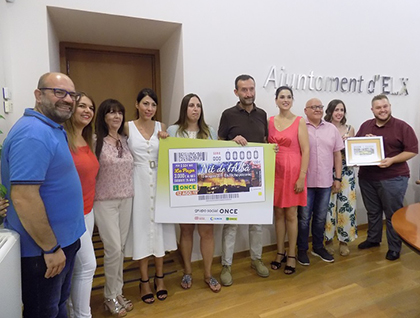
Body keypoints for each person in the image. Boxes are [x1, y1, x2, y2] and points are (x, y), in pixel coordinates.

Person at [1, 72, 85, 317]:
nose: (68, 99)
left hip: (62, 244)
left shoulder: (52, 129)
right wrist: (50, 248)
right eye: (59, 92)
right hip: (43, 251)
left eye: (72, 94)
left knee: (57, 306)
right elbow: (24, 198)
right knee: (43, 311)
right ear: (38, 95)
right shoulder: (32, 134)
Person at [124, 88, 177, 303]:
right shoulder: (127, 127)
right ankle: (144, 280)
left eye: (153, 105)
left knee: (160, 229)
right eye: (145, 104)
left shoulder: (161, 127)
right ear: (137, 105)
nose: (149, 108)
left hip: (159, 181)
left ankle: (160, 277)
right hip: (138, 181)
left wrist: (166, 140)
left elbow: (170, 154)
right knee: (142, 229)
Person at [218, 74, 269, 286]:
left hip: (257, 178)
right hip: (233, 179)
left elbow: (265, 141)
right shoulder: (227, 115)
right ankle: (226, 265)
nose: (248, 93)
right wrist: (232, 142)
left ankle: (256, 259)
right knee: (231, 224)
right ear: (236, 92)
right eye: (244, 90)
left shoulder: (262, 114)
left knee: (256, 224)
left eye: (251, 89)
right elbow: (220, 142)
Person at [167, 93, 221, 292]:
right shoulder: (173, 131)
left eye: (198, 105)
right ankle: (187, 271)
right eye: (191, 105)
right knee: (187, 231)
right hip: (183, 190)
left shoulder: (210, 131)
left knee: (207, 232)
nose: (195, 109)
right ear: (184, 108)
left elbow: (218, 159)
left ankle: (208, 274)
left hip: (206, 190)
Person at [356, 94, 418, 261]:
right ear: (372, 110)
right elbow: (357, 148)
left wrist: (392, 160)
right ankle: (373, 239)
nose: (382, 110)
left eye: (385, 106)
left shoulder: (402, 126)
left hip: (393, 178)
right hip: (367, 177)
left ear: (390, 106)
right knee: (373, 212)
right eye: (378, 107)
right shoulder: (366, 126)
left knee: (393, 214)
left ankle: (394, 248)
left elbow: (412, 150)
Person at [94, 99, 134, 317]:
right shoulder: (95, 141)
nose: (116, 116)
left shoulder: (126, 140)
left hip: (126, 198)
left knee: (120, 250)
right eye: (111, 113)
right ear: (103, 117)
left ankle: (118, 292)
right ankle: (109, 296)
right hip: (104, 201)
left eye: (119, 112)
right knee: (112, 249)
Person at [63, 93, 99, 318]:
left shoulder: (87, 138)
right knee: (88, 266)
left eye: (91, 107)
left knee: (77, 269)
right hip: (71, 214)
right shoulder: (61, 139)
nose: (87, 110)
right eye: (82, 106)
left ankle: (72, 312)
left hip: (88, 210)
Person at [267, 86, 309, 275]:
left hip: (293, 172)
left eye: (289, 97)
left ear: (292, 100)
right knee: (278, 214)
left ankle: (291, 254)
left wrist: (302, 176)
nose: (285, 100)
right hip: (274, 171)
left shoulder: (299, 121)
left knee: (292, 214)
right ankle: (280, 251)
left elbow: (306, 150)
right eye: (282, 97)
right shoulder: (269, 121)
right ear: (276, 100)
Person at [297, 98, 343, 266]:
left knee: (320, 218)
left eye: (320, 107)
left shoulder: (331, 129)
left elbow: (337, 154)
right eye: (313, 107)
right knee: (303, 218)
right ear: (305, 110)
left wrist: (337, 178)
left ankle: (317, 247)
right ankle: (301, 249)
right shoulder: (300, 127)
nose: (317, 109)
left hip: (325, 181)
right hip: (305, 182)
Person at [323, 99, 357, 257]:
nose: (339, 113)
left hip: (346, 172)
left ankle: (344, 241)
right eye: (336, 110)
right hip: (327, 172)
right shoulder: (324, 128)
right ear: (329, 111)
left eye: (342, 110)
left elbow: (353, 155)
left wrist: (349, 145)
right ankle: (328, 240)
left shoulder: (350, 129)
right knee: (328, 208)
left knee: (346, 207)